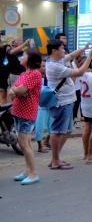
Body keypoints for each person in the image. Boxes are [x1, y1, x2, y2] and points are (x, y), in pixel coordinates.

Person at [46, 40, 92, 170]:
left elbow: (71, 56)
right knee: (57, 131)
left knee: (67, 131)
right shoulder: (55, 66)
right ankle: (55, 160)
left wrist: (84, 48)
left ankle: (55, 158)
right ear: (54, 51)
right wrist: (90, 56)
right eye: (62, 48)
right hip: (61, 102)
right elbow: (79, 72)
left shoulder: (57, 60)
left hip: (67, 101)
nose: (64, 51)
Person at [10, 50, 43, 185]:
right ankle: (28, 171)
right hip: (18, 111)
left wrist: (17, 90)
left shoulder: (35, 74)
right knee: (25, 144)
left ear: (30, 60)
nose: (21, 57)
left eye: (24, 55)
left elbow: (18, 90)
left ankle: (33, 173)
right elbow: (13, 90)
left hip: (27, 113)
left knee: (24, 144)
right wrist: (16, 90)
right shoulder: (24, 74)